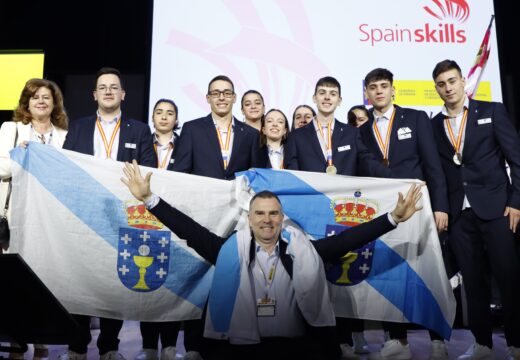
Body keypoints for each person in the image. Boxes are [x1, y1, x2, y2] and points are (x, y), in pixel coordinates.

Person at [121, 160, 424, 360]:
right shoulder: (229, 250)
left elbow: (349, 239)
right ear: (250, 219)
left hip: (295, 350)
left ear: (282, 218)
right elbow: (189, 230)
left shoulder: (304, 251)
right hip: (240, 350)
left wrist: (394, 218)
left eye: (273, 213)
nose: (267, 220)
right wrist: (150, 200)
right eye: (260, 214)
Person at [60, 67, 156, 360]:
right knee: (80, 280)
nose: (108, 91)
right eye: (103, 87)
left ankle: (109, 346)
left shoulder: (139, 130)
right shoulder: (77, 127)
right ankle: (77, 346)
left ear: (123, 94)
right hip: (84, 214)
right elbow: (66, 166)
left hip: (122, 213)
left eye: (114, 87)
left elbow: (149, 167)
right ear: (94, 95)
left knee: (113, 280)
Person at [430, 60, 520, 360]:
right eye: (442, 83)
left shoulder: (491, 111)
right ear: (436, 88)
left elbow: (516, 159)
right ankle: (482, 343)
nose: (448, 87)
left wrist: (516, 201)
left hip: (497, 209)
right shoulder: (433, 125)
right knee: (473, 280)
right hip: (459, 215)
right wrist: (442, 208)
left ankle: (516, 344)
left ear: (462, 82)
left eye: (452, 81)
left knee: (508, 277)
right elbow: (438, 174)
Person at [359, 68, 449, 360]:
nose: (379, 91)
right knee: (389, 272)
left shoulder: (416, 117)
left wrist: (441, 207)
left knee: (428, 270)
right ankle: (398, 340)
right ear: (367, 93)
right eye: (373, 87)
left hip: (419, 207)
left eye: (384, 86)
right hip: (385, 211)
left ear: (393, 89)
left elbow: (434, 164)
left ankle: (438, 340)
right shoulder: (361, 131)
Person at [0, 78, 68, 360]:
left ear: (54, 104)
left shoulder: (65, 134)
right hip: (13, 216)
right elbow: (2, 167)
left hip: (48, 218)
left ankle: (40, 337)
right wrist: (25, 154)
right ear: (26, 103)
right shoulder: (12, 129)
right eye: (35, 97)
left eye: (46, 97)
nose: (41, 101)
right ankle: (15, 339)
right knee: (14, 281)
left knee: (43, 281)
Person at [134, 99, 181, 360]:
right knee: (149, 282)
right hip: (144, 219)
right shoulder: (141, 141)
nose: (164, 117)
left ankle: (171, 347)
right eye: (159, 112)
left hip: (175, 217)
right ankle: (149, 346)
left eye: (169, 113)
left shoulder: (186, 143)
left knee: (172, 280)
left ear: (176, 119)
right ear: (152, 117)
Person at [285, 76, 391, 178]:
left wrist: (397, 180)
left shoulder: (352, 133)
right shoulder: (296, 136)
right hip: (312, 195)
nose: (327, 97)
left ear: (339, 101)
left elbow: (369, 163)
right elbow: (293, 175)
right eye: (322, 93)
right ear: (314, 98)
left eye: (333, 94)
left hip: (344, 196)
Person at [172, 75, 266, 180]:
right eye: (216, 94)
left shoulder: (251, 134)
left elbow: (256, 175)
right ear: (208, 98)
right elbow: (180, 173)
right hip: (203, 195)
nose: (221, 98)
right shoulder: (192, 129)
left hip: (237, 196)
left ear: (234, 98)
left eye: (227, 93)